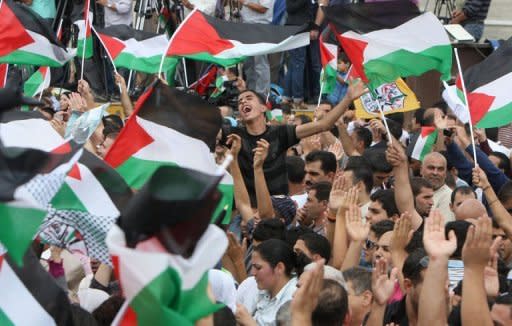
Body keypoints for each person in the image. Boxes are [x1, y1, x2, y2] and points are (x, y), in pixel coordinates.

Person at [224, 81, 366, 202]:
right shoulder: (234, 135)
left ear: (263, 108)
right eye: (240, 101)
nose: (243, 102)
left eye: (248, 98)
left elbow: (323, 125)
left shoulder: (280, 133)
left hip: (278, 209)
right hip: (246, 211)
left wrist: (347, 98)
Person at [235, 239, 298, 326]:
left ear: (279, 268)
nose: (253, 273)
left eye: (258, 267)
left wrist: (249, 322)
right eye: (253, 267)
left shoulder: (295, 298)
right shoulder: (263, 288)